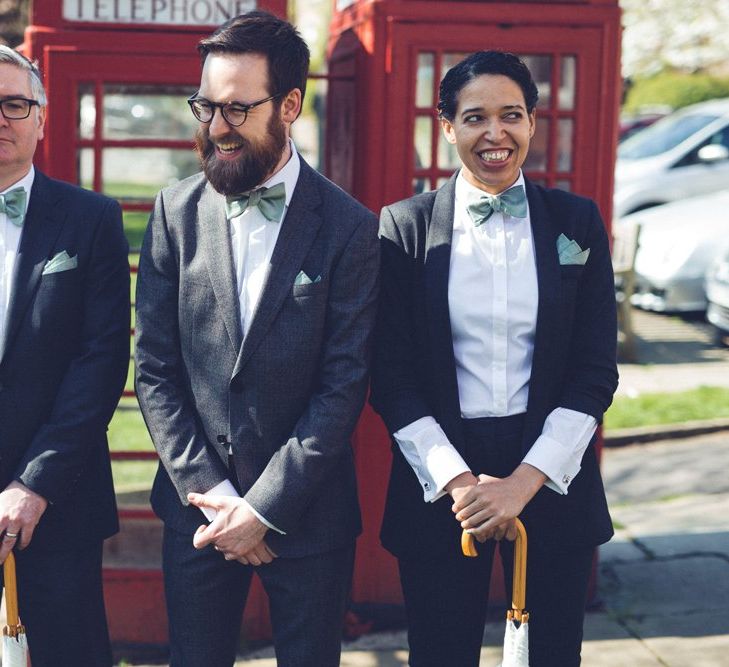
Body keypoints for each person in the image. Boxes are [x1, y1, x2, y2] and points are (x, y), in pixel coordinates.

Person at [134, 11, 379, 667]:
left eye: (238, 109)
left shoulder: (349, 227)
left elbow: (343, 382)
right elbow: (154, 367)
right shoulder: (173, 211)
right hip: (199, 513)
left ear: (290, 104)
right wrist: (215, 496)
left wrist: (263, 507)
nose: (216, 127)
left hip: (307, 513)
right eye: (206, 106)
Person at [370, 51, 618, 667]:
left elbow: (594, 371)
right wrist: (460, 483)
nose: (495, 133)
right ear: (448, 127)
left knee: (551, 654)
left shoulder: (577, 222)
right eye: (475, 117)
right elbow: (390, 376)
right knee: (441, 653)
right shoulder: (404, 228)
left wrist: (523, 482)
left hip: (551, 478)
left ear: (532, 122)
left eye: (511, 115)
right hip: (443, 485)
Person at [0, 45, 130, 666]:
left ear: (43, 118)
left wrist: (34, 482)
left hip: (57, 502)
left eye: (14, 104)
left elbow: (101, 360)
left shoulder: (91, 219)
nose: (0, 117)